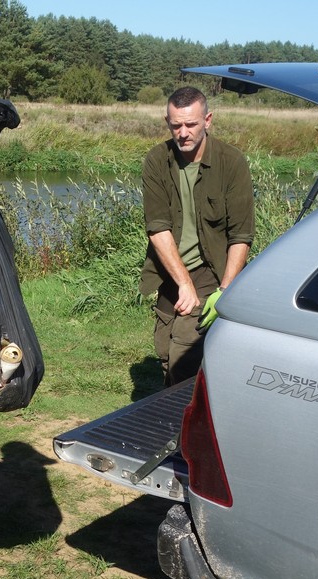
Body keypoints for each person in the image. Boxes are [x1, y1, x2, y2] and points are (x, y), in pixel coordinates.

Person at [140, 86, 255, 386]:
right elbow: (158, 228)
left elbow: (241, 235)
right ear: (167, 122)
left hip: (211, 270)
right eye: (176, 125)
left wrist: (225, 291)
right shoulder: (157, 160)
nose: (183, 133)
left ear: (208, 120)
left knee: (182, 358)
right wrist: (183, 282)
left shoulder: (232, 162)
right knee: (165, 352)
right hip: (171, 270)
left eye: (191, 124)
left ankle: (179, 414)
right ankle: (182, 408)